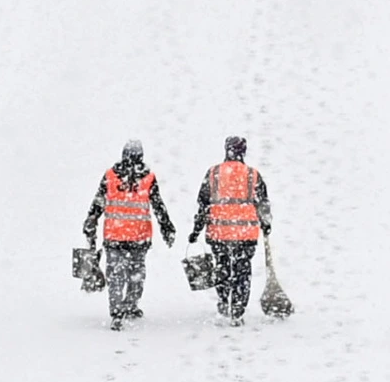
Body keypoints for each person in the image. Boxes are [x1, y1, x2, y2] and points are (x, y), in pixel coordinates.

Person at [83, 139, 177, 330]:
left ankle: (117, 312)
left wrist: (91, 220)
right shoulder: (148, 177)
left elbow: (98, 202)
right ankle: (131, 305)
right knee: (136, 273)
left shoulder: (110, 176)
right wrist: (167, 227)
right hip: (139, 236)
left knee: (115, 275)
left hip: (114, 235)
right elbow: (158, 205)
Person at [188, 135, 273, 325]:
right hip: (246, 234)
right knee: (243, 271)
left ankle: (224, 301)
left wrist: (196, 230)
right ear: (243, 151)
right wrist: (266, 225)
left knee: (222, 267)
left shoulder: (214, 173)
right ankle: (238, 309)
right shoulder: (252, 175)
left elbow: (203, 205)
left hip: (219, 233)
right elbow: (263, 204)